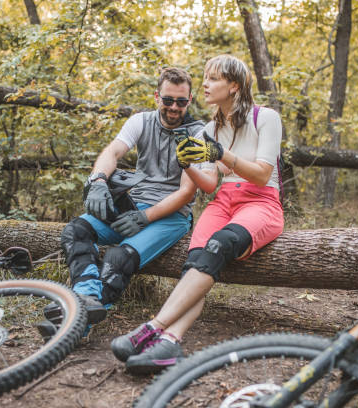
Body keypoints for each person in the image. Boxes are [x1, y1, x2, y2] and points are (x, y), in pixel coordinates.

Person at [110, 55, 284, 374]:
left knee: (219, 245)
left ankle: (151, 329)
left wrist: (221, 153)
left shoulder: (266, 117)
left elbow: (261, 174)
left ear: (234, 86)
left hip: (261, 201)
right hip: (224, 201)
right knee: (196, 263)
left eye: (213, 78)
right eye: (205, 77)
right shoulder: (208, 128)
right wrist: (187, 162)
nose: (204, 84)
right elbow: (209, 184)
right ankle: (170, 344)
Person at [57, 67, 208, 327]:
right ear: (157, 96)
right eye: (168, 100)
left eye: (181, 102)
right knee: (76, 231)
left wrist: (144, 217)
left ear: (190, 100)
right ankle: (84, 297)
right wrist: (98, 181)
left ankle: (77, 323)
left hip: (171, 216)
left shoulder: (197, 133)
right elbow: (113, 152)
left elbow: (186, 192)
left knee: (119, 258)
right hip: (133, 203)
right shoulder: (141, 121)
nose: (174, 107)